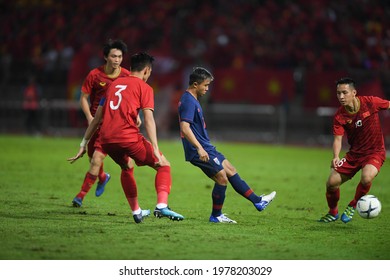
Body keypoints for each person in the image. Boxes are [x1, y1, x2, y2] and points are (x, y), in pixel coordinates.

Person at [68, 52, 184, 223]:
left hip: (106, 140)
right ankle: (161, 206)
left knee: (126, 166)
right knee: (164, 165)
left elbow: (97, 118)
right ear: (146, 70)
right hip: (127, 138)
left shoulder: (113, 85)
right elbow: (149, 120)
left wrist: (83, 144)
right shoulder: (145, 88)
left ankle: (136, 211)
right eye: (150, 72)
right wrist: (156, 149)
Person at [178, 67, 276, 223]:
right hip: (198, 149)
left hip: (206, 145)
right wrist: (199, 148)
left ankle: (258, 201)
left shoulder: (192, 99)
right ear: (195, 84)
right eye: (205, 85)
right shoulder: (188, 101)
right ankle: (216, 215)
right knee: (222, 178)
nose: (207, 89)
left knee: (230, 169)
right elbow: (185, 127)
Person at [318, 77, 390, 223]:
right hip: (354, 154)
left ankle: (354, 204)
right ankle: (333, 212)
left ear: (354, 93)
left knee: (367, 177)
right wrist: (336, 156)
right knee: (331, 183)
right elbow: (338, 139)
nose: (341, 97)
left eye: (344, 92)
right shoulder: (340, 115)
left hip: (374, 152)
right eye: (338, 93)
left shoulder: (370, 102)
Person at [71, 39, 133, 207]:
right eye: (113, 56)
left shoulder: (127, 75)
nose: (117, 60)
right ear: (106, 57)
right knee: (93, 157)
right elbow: (83, 98)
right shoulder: (95, 75)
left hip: (115, 127)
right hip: (95, 123)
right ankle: (103, 177)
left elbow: (134, 97)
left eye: (120, 57)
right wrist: (89, 118)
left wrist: (136, 115)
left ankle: (80, 196)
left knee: (96, 160)